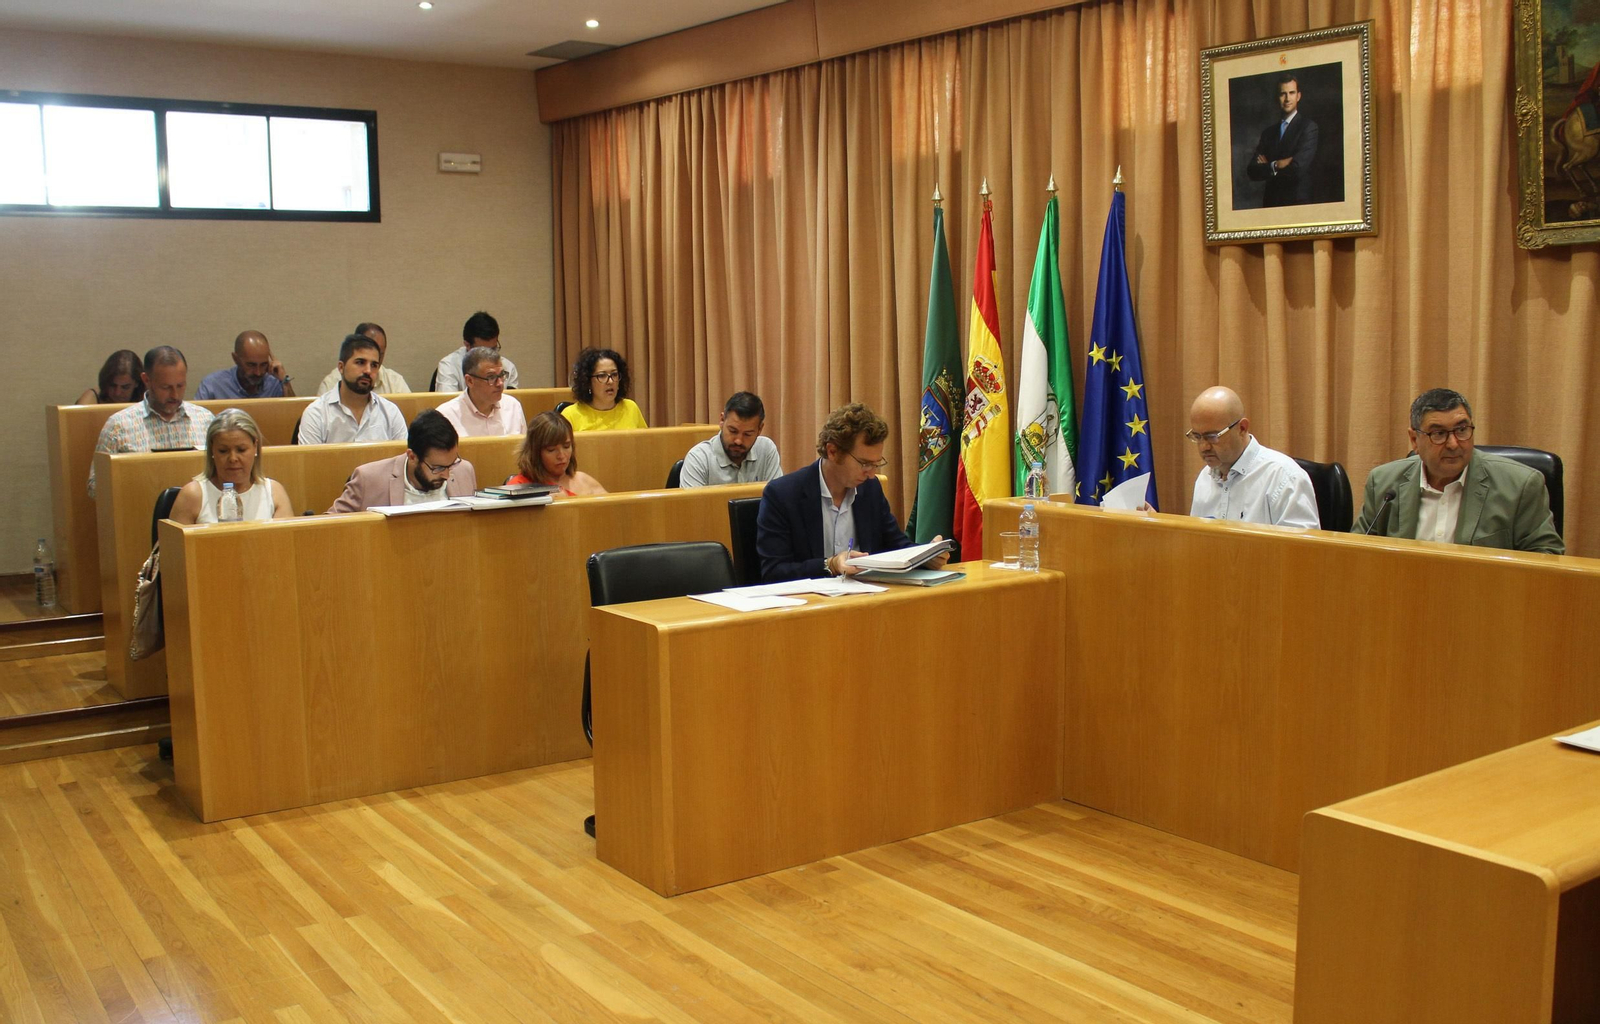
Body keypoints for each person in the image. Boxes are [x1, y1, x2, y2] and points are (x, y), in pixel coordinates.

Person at [1353, 388, 1564, 554]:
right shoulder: (1383, 483)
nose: (1453, 444)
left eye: (1462, 430)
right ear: (1414, 440)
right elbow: (1358, 553)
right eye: (1439, 433)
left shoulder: (1521, 485)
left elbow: (1547, 558)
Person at [756, 402, 949, 582]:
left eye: (876, 464)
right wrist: (830, 564)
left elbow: (896, 546)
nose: (872, 474)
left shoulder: (870, 490)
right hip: (808, 608)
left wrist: (926, 555)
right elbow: (774, 572)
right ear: (832, 451)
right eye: (864, 463)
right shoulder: (782, 495)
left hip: (864, 603)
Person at [1185, 386, 1319, 528]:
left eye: (1212, 436)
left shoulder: (1283, 477)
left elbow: (1303, 548)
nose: (1203, 447)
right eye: (1197, 437)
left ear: (1242, 428)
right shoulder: (1204, 478)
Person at [88, 346, 214, 498]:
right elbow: (94, 486)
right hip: (138, 513)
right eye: (166, 387)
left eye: (180, 386)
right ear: (146, 380)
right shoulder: (118, 426)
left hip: (196, 516)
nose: (174, 395)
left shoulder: (206, 421)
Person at [328, 410, 479, 512]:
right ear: (412, 456)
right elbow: (333, 526)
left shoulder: (464, 471)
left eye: (451, 464)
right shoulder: (368, 479)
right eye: (437, 468)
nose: (446, 475)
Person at [168, 408, 293, 524]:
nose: (233, 458)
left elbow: (286, 544)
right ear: (212, 450)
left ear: (255, 446)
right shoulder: (193, 495)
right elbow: (171, 547)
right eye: (223, 451)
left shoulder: (274, 493)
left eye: (241, 450)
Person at [297, 333, 408, 444]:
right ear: (341, 367)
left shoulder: (391, 413)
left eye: (374, 365)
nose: (368, 371)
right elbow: (310, 461)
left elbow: (404, 458)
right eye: (360, 363)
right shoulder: (316, 414)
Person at [680, 391, 783, 487]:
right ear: (722, 420)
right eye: (733, 431)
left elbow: (777, 501)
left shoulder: (766, 450)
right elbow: (692, 506)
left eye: (747, 434)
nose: (738, 441)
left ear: (759, 429)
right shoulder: (699, 459)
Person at [1246, 72, 1319, 207]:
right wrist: (1276, 165)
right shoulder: (1268, 133)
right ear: (1277, 97)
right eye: (1282, 94)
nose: (1287, 98)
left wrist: (1267, 167)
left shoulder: (1308, 127)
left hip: (1297, 203)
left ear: (1298, 96)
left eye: (1291, 93)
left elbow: (1297, 169)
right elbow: (1252, 171)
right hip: (1271, 204)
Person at [505, 411, 607, 496]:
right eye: (551, 449)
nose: (561, 456)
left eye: (566, 446)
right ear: (535, 452)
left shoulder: (584, 480)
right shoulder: (517, 487)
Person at [437, 347, 527, 437]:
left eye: (502, 375)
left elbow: (524, 449)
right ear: (470, 381)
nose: (500, 383)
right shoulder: (446, 416)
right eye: (491, 377)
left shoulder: (513, 406)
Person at [562, 347, 648, 431]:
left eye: (614, 374)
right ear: (587, 382)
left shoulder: (631, 408)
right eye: (602, 376)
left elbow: (645, 443)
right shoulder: (570, 416)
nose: (610, 381)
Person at [432, 311, 520, 392]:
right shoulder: (449, 366)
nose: (489, 356)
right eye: (482, 352)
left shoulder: (508, 368)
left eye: (493, 349)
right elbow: (447, 405)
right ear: (467, 345)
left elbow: (511, 406)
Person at [194, 331, 295, 399]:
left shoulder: (275, 384)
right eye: (251, 365)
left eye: (263, 365)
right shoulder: (213, 385)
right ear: (236, 359)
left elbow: (295, 416)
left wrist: (285, 381)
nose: (258, 372)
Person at [316, 322, 411, 395]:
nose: (368, 370)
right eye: (361, 362)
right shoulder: (330, 384)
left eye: (380, 354)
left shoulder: (395, 382)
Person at [77, 349, 144, 405]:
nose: (118, 393)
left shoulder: (147, 401)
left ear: (137, 383)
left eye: (125, 387)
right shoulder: (92, 398)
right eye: (113, 385)